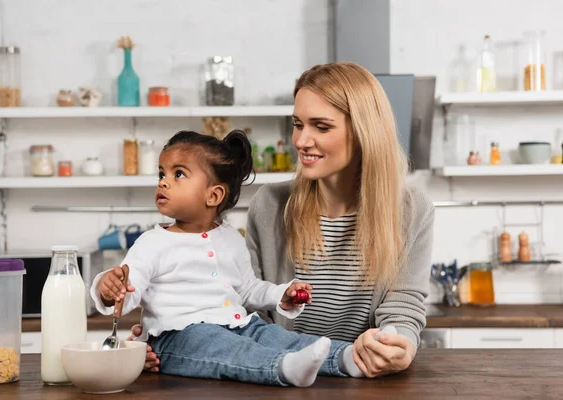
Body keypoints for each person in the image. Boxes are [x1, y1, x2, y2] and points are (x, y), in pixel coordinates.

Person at [135, 62, 435, 379]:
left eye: (321, 126)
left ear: (364, 132)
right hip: (273, 378)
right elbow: (239, 304)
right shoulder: (271, 204)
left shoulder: (411, 210)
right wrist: (162, 333)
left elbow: (404, 306)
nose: (301, 141)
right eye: (298, 124)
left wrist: (394, 344)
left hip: (362, 378)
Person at [91, 129, 375, 387]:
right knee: (229, 348)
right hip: (178, 337)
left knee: (275, 336)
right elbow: (129, 289)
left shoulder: (230, 238)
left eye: (178, 174)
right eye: (161, 174)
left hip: (238, 323)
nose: (164, 182)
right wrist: (108, 289)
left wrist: (281, 294)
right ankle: (282, 368)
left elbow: (248, 288)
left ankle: (346, 358)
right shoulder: (152, 242)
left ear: (213, 195)